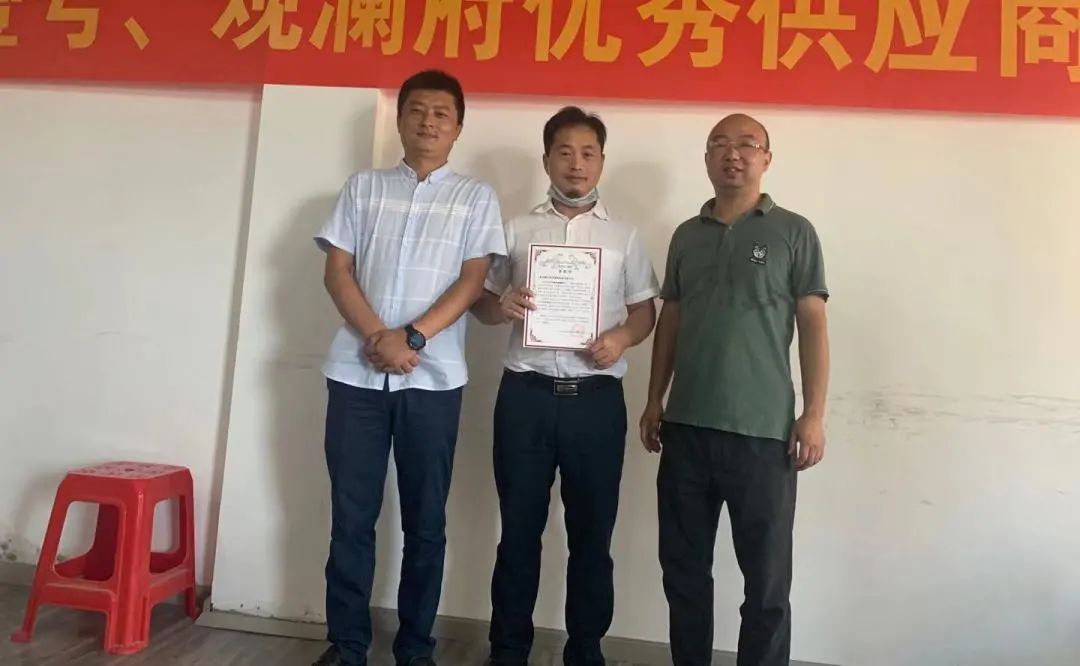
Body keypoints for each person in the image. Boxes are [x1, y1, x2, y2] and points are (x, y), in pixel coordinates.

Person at [312, 69, 508, 666]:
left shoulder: (475, 197)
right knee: (351, 519)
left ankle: (415, 650)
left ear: (458, 128)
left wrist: (414, 337)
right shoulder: (362, 188)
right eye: (417, 110)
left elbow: (474, 281)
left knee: (426, 523)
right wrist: (380, 338)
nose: (428, 121)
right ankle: (347, 647)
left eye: (441, 113)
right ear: (399, 120)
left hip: (435, 380)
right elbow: (337, 272)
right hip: (356, 376)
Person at [471, 106, 659, 666]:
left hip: (595, 403)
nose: (577, 163)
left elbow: (644, 312)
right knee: (518, 533)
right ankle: (508, 651)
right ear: (547, 158)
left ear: (601, 161)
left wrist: (621, 338)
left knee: (592, 538)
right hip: (525, 398)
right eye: (565, 152)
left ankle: (585, 650)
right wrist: (500, 305)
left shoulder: (624, 235)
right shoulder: (515, 229)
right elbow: (481, 303)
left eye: (588, 153)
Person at [640, 114, 830, 666]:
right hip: (686, 430)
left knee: (766, 585)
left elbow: (813, 324)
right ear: (706, 158)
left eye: (747, 144)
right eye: (720, 144)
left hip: (763, 434)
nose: (733, 154)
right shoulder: (686, 235)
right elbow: (671, 319)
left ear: (766, 158)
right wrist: (654, 400)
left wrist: (813, 413)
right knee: (683, 574)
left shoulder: (794, 232)